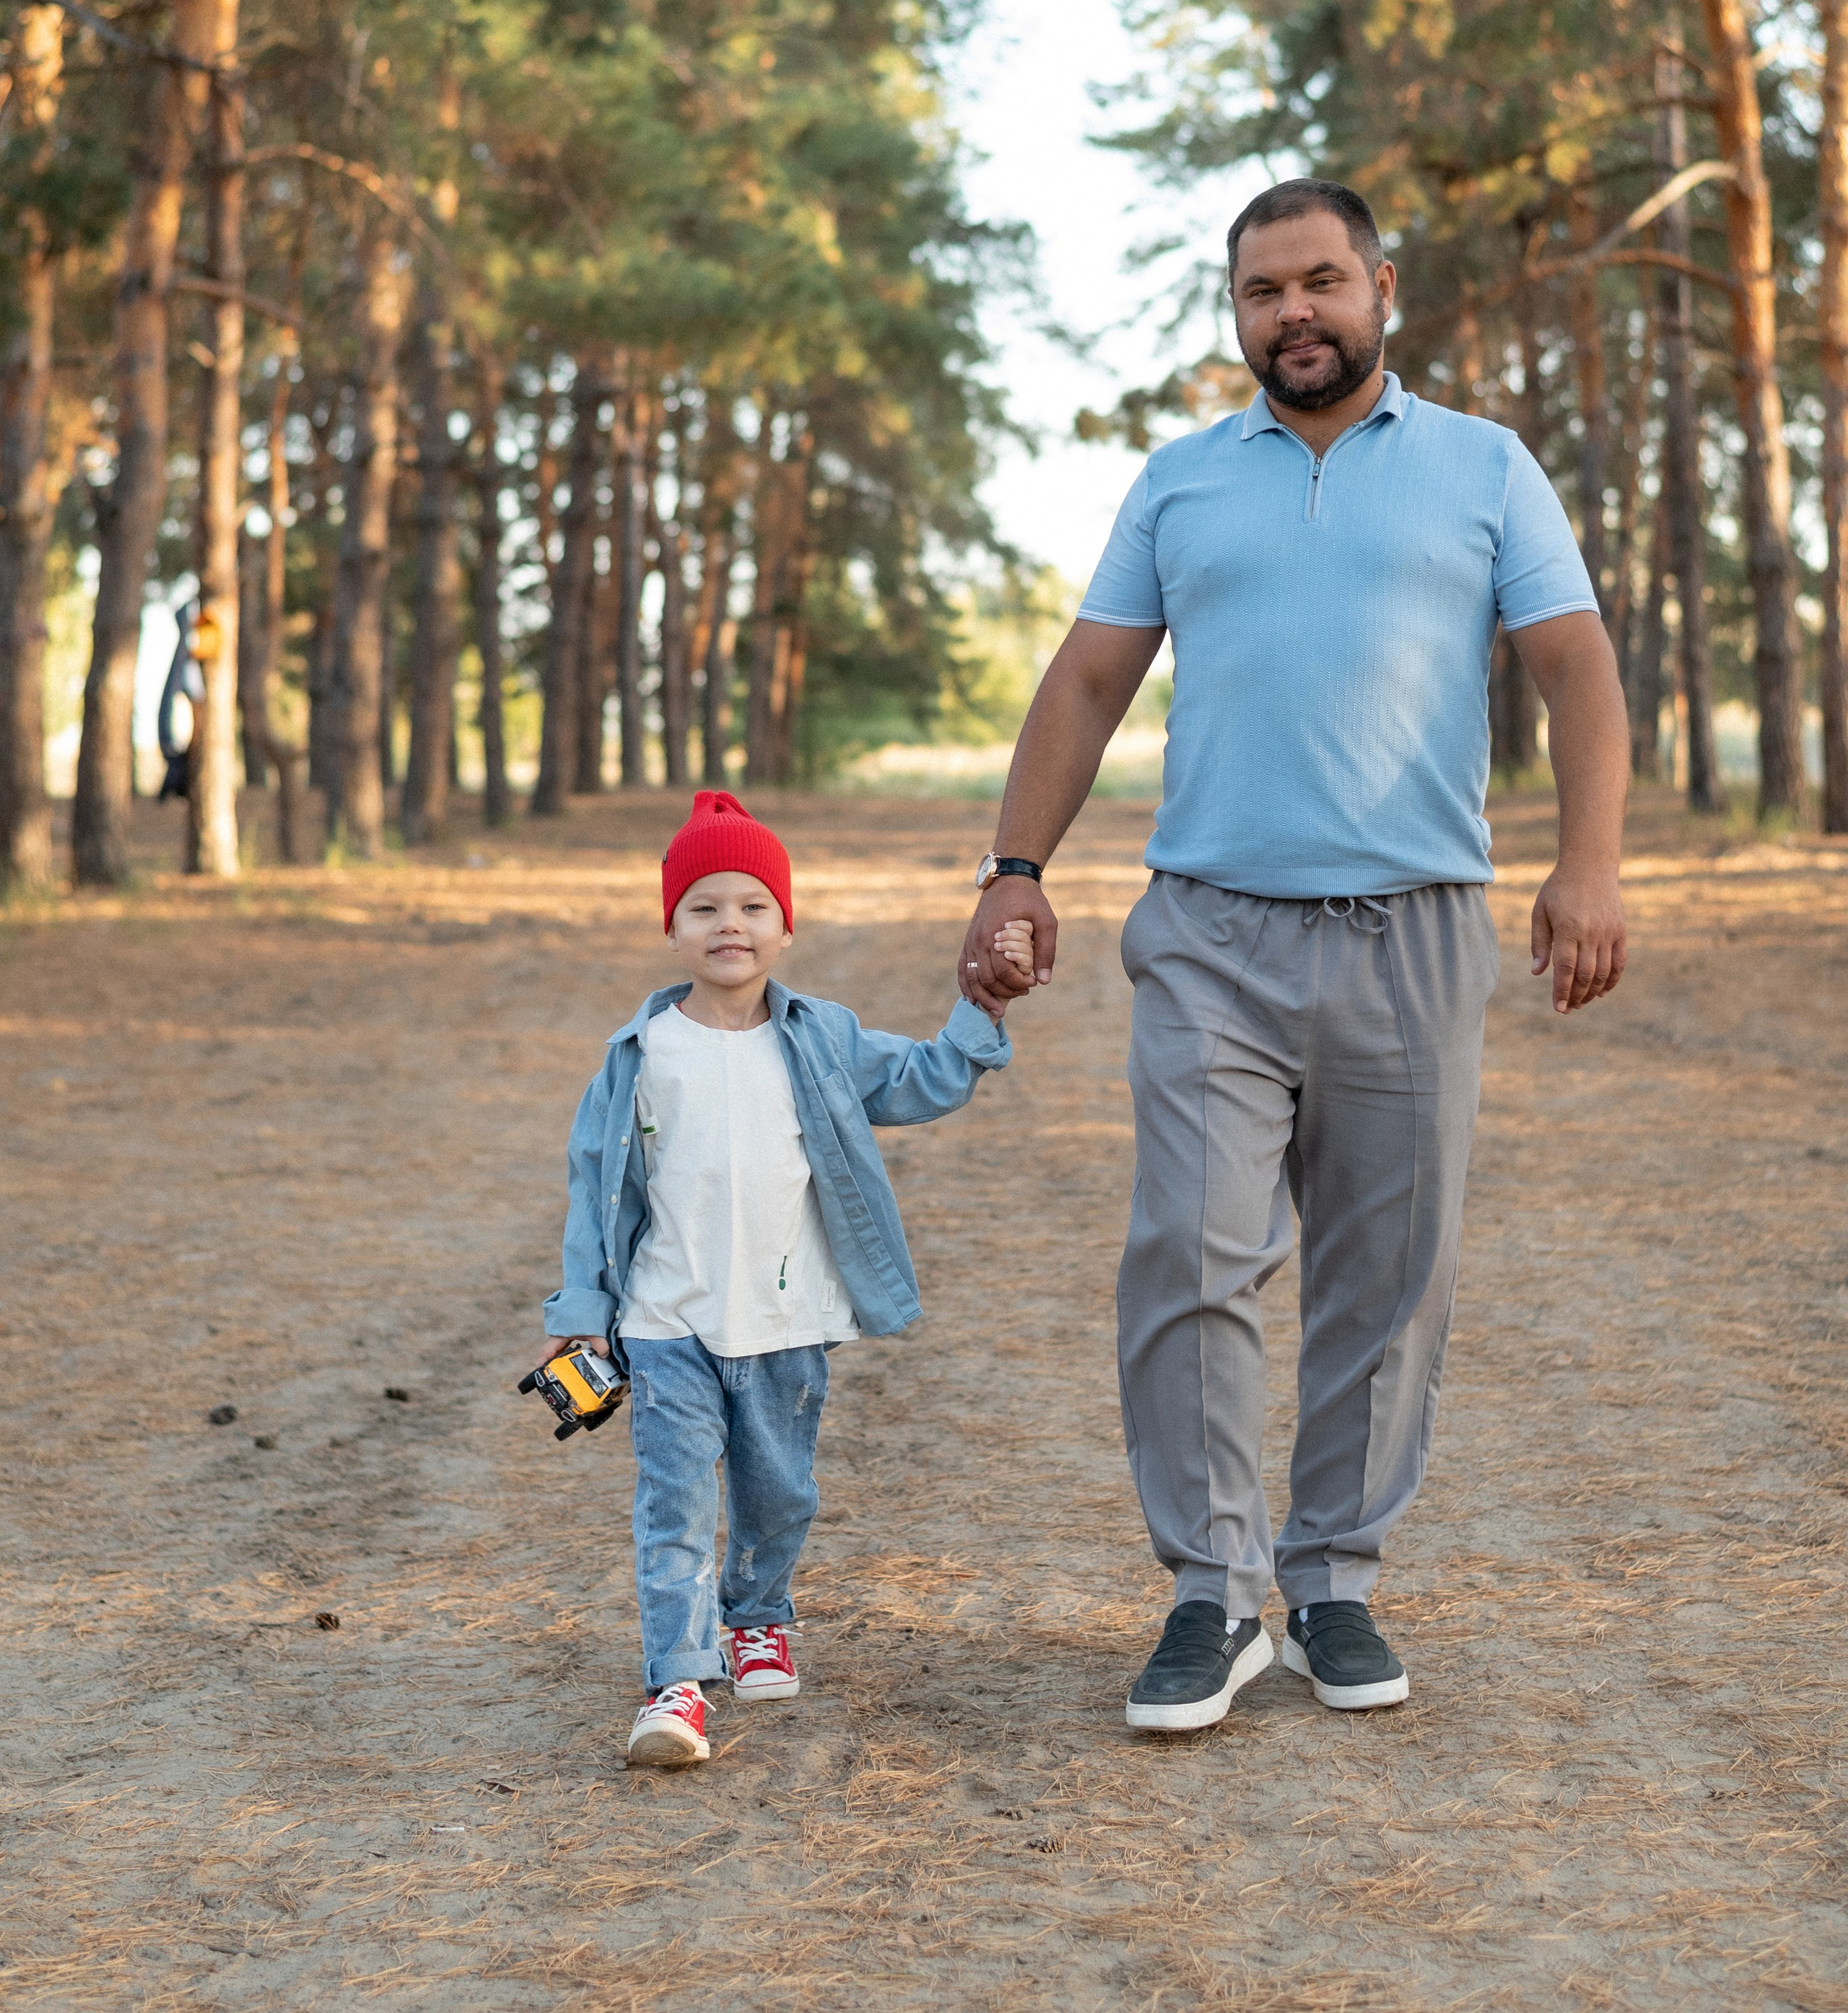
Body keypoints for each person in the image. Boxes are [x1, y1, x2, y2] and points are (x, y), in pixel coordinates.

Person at [956, 178, 1629, 1735]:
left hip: (1412, 933)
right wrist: (1013, 868)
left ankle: (1328, 1577)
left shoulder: (1482, 466)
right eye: (1262, 293)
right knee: (1188, 1249)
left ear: (1381, 286)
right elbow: (1084, 681)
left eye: (1320, 281)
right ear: (1237, 314)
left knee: (1385, 1279)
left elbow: (1573, 663)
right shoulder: (1181, 482)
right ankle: (1209, 1590)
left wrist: (1585, 862)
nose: (1293, 314)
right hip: (1210, 932)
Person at [536, 788, 1034, 1771]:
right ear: (671, 927)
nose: (731, 925)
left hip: (786, 1322)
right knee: (671, 1504)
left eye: (753, 905)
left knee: (779, 1494)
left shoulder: (822, 1039)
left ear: (786, 926)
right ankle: (675, 1683)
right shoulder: (638, 1058)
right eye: (705, 906)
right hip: (666, 1323)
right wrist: (581, 1316)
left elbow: (928, 1078)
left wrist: (986, 1009)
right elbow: (594, 1192)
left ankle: (757, 1618)